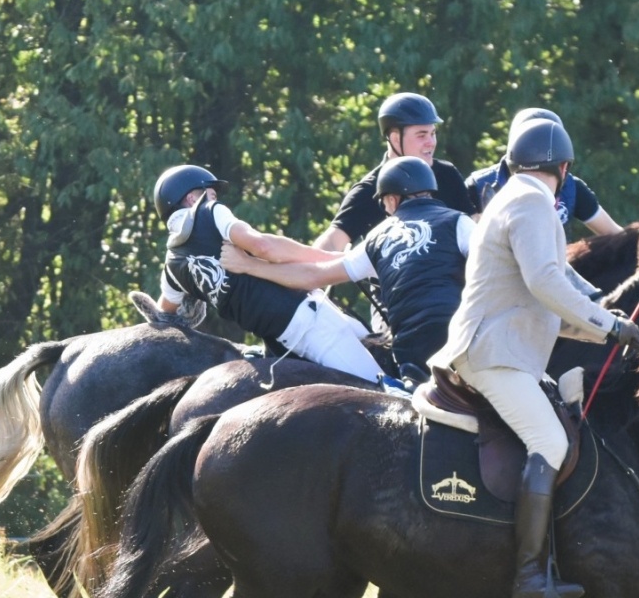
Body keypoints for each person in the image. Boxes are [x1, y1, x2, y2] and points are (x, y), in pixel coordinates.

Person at [428, 118, 639, 598]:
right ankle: (528, 577)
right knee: (550, 441)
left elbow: (549, 294)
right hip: (493, 354)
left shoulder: (511, 198)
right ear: (564, 169)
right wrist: (609, 327)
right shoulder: (530, 203)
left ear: (512, 163)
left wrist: (602, 319)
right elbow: (547, 281)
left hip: (504, 348)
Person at [221, 156, 471, 381]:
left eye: (384, 204)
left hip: (413, 358)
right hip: (465, 343)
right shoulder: (459, 221)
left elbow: (313, 275)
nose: (385, 211)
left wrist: (249, 265)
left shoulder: (376, 238)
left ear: (393, 200)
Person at [152, 164, 389, 385]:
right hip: (312, 322)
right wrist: (337, 260)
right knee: (386, 389)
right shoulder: (209, 211)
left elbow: (164, 316)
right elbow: (264, 247)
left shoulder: (172, 269)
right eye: (211, 193)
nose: (215, 198)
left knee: (385, 354)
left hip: (282, 341)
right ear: (192, 198)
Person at [313, 92, 476, 252]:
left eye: (433, 134)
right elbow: (333, 243)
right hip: (392, 279)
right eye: (422, 135)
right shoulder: (368, 190)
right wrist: (306, 271)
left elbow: (475, 226)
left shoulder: (447, 174)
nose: (431, 142)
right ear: (395, 138)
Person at [466, 108, 623, 235]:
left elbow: (615, 235)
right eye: (529, 144)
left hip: (556, 268)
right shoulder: (477, 185)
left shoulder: (573, 188)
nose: (537, 152)